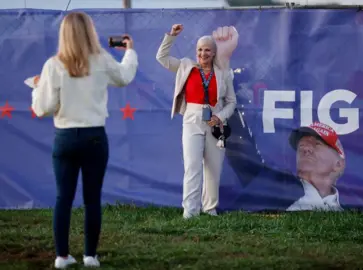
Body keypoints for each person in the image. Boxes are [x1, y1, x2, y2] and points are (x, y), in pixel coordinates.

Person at [30, 11, 138, 268]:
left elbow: (42, 108)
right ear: (90, 31)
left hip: (65, 137)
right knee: (92, 199)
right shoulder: (101, 59)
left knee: (63, 198)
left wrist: (37, 88)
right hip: (94, 137)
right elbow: (124, 77)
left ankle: (62, 256)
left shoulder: (53, 65)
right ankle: (90, 255)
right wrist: (130, 52)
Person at [156, 24, 237, 219]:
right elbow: (162, 58)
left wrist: (220, 116)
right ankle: (190, 211)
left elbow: (231, 102)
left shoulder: (224, 73)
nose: (203, 53)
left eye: (207, 49)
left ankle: (210, 210)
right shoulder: (185, 66)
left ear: (214, 52)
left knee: (213, 168)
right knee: (192, 167)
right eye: (200, 49)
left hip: (215, 123)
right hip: (191, 119)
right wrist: (171, 36)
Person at [286, 121, 346, 211]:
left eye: (317, 144)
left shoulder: (351, 207)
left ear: (338, 164)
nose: (306, 149)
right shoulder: (279, 190)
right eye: (301, 146)